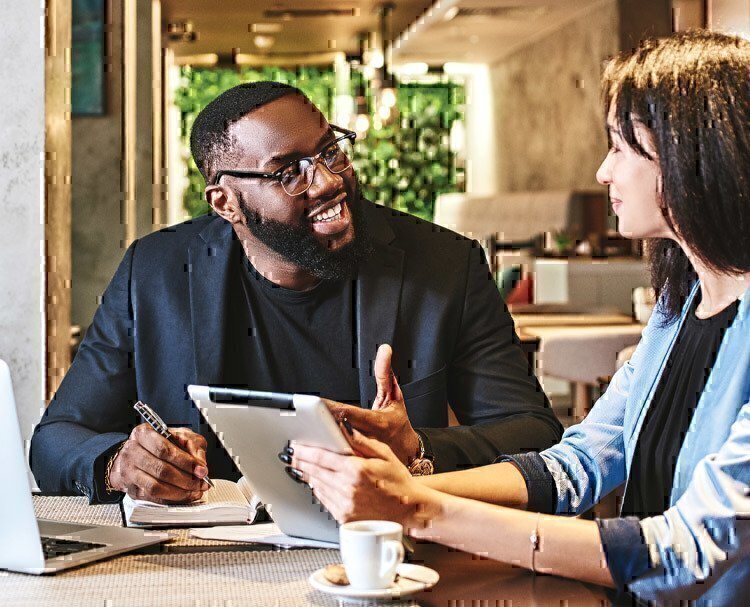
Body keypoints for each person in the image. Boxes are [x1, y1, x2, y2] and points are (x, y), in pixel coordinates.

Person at [290, 31, 750, 605]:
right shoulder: (677, 308)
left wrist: (417, 507)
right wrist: (404, 484)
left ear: (692, 155)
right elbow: (576, 466)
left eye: (621, 147)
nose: (604, 172)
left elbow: (685, 552)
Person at [30, 82, 561, 505]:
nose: (328, 180)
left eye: (330, 150)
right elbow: (55, 439)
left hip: (378, 548)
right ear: (225, 202)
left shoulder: (445, 265)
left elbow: (536, 433)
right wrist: (121, 463)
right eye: (288, 173)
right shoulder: (155, 272)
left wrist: (417, 450)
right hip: (208, 558)